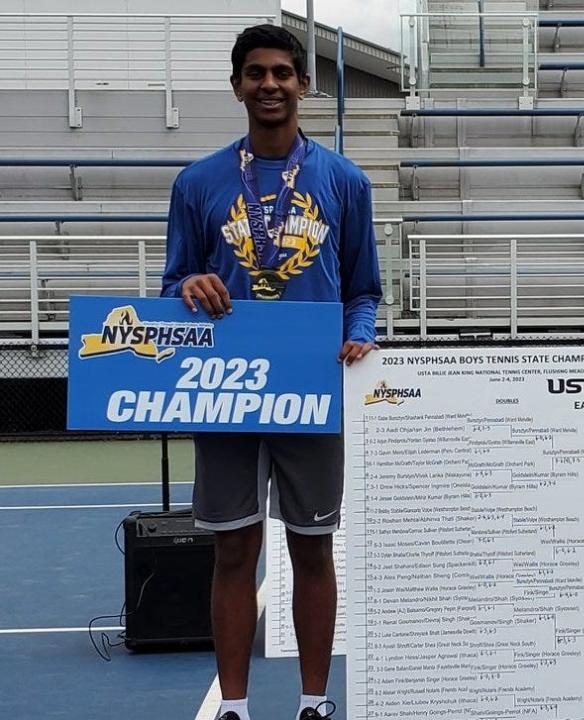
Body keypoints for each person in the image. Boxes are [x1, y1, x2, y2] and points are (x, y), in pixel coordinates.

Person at [160, 24, 382, 720]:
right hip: (223, 387)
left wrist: (359, 335)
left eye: (284, 72)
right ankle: (234, 706)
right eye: (255, 73)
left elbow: (365, 289)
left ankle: (313, 702)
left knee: (313, 548)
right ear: (237, 86)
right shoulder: (197, 182)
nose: (270, 84)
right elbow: (171, 288)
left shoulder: (344, 181)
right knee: (233, 549)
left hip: (311, 385)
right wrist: (191, 285)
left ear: (303, 85)